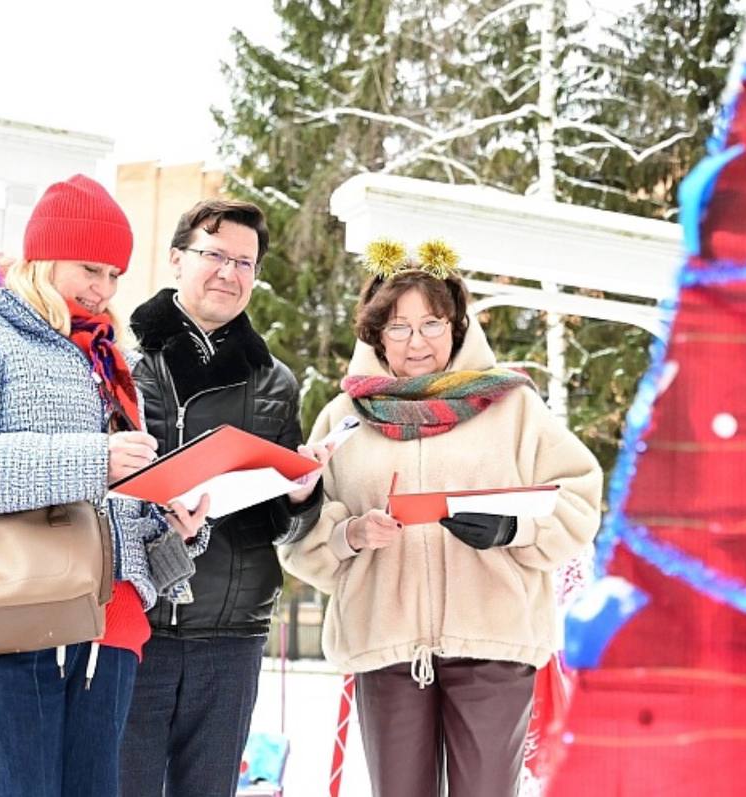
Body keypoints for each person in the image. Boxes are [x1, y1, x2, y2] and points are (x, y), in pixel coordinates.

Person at [0, 174, 197, 796]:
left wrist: (173, 525)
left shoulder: (110, 361)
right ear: (43, 256)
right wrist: (96, 459)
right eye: (91, 268)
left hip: (106, 632)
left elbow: (115, 503)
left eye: (115, 274)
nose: (104, 288)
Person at [279, 240, 603, 797]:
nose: (417, 341)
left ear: (457, 325)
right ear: (376, 334)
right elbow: (300, 535)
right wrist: (352, 534)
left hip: (493, 647)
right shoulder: (344, 418)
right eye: (399, 327)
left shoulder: (512, 406)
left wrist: (513, 529)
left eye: (432, 322)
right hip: (387, 649)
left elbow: (578, 496)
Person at [119, 198, 326, 797]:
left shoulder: (274, 381)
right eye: (215, 255)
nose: (230, 274)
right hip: (136, 618)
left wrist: (299, 496)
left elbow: (283, 528)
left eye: (245, 262)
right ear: (177, 259)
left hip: (231, 631)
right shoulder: (122, 365)